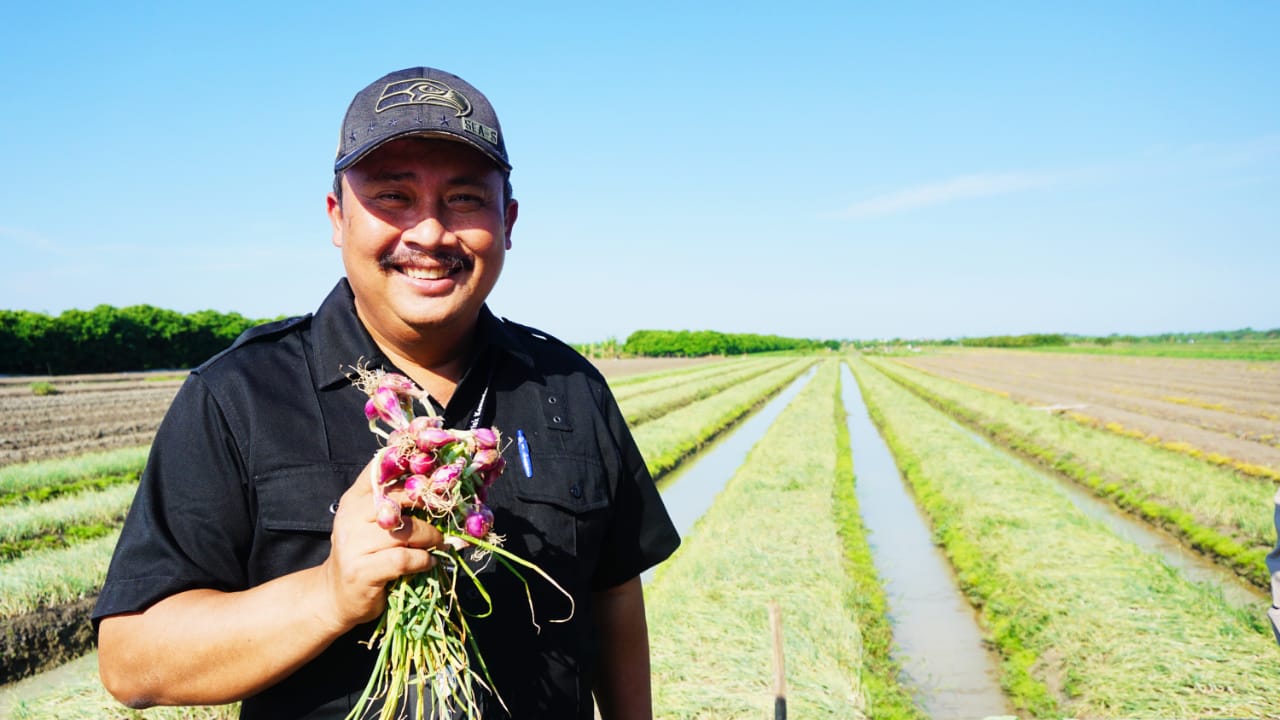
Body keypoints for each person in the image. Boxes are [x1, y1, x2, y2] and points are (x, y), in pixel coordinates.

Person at [94, 66, 680, 719]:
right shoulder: (236, 396)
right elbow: (130, 659)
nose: (429, 233)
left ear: (507, 221)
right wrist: (328, 595)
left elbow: (615, 595)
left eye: (463, 199)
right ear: (337, 217)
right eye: (393, 196)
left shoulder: (570, 388)